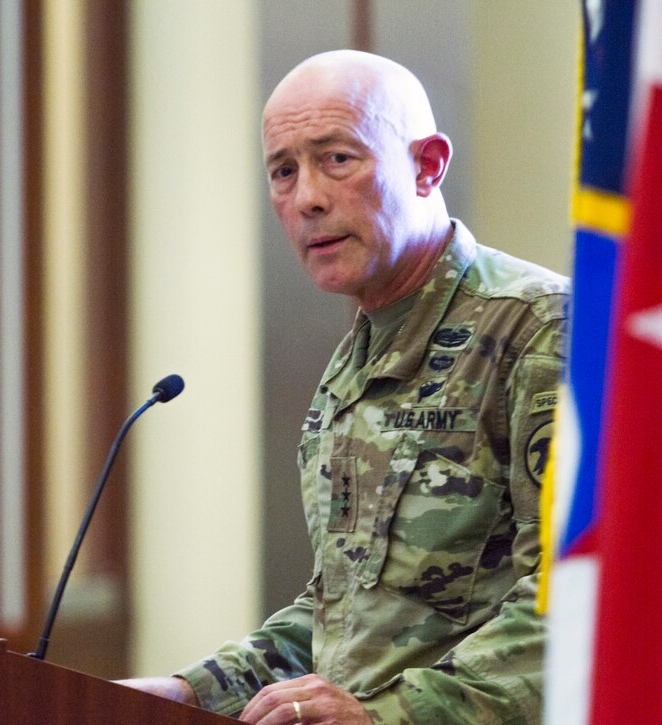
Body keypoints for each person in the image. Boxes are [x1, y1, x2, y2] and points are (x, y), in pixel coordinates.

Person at [120, 50, 568, 723]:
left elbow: (578, 595)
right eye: (283, 170)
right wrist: (190, 691)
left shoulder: (540, 329)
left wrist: (388, 714)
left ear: (427, 165)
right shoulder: (352, 366)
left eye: (337, 159)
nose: (307, 197)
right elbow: (347, 609)